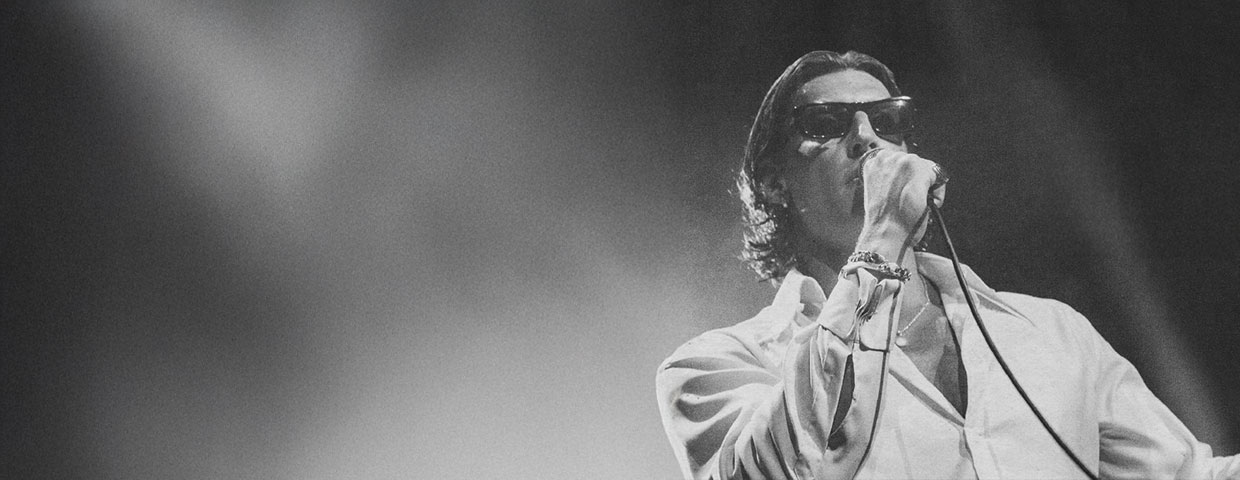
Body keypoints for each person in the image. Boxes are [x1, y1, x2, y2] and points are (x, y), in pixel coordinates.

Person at [654, 50, 1240, 479]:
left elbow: (1188, 475)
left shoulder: (1051, 333)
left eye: (887, 121)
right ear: (774, 183)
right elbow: (786, 470)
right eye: (827, 124)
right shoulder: (717, 367)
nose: (867, 139)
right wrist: (883, 233)